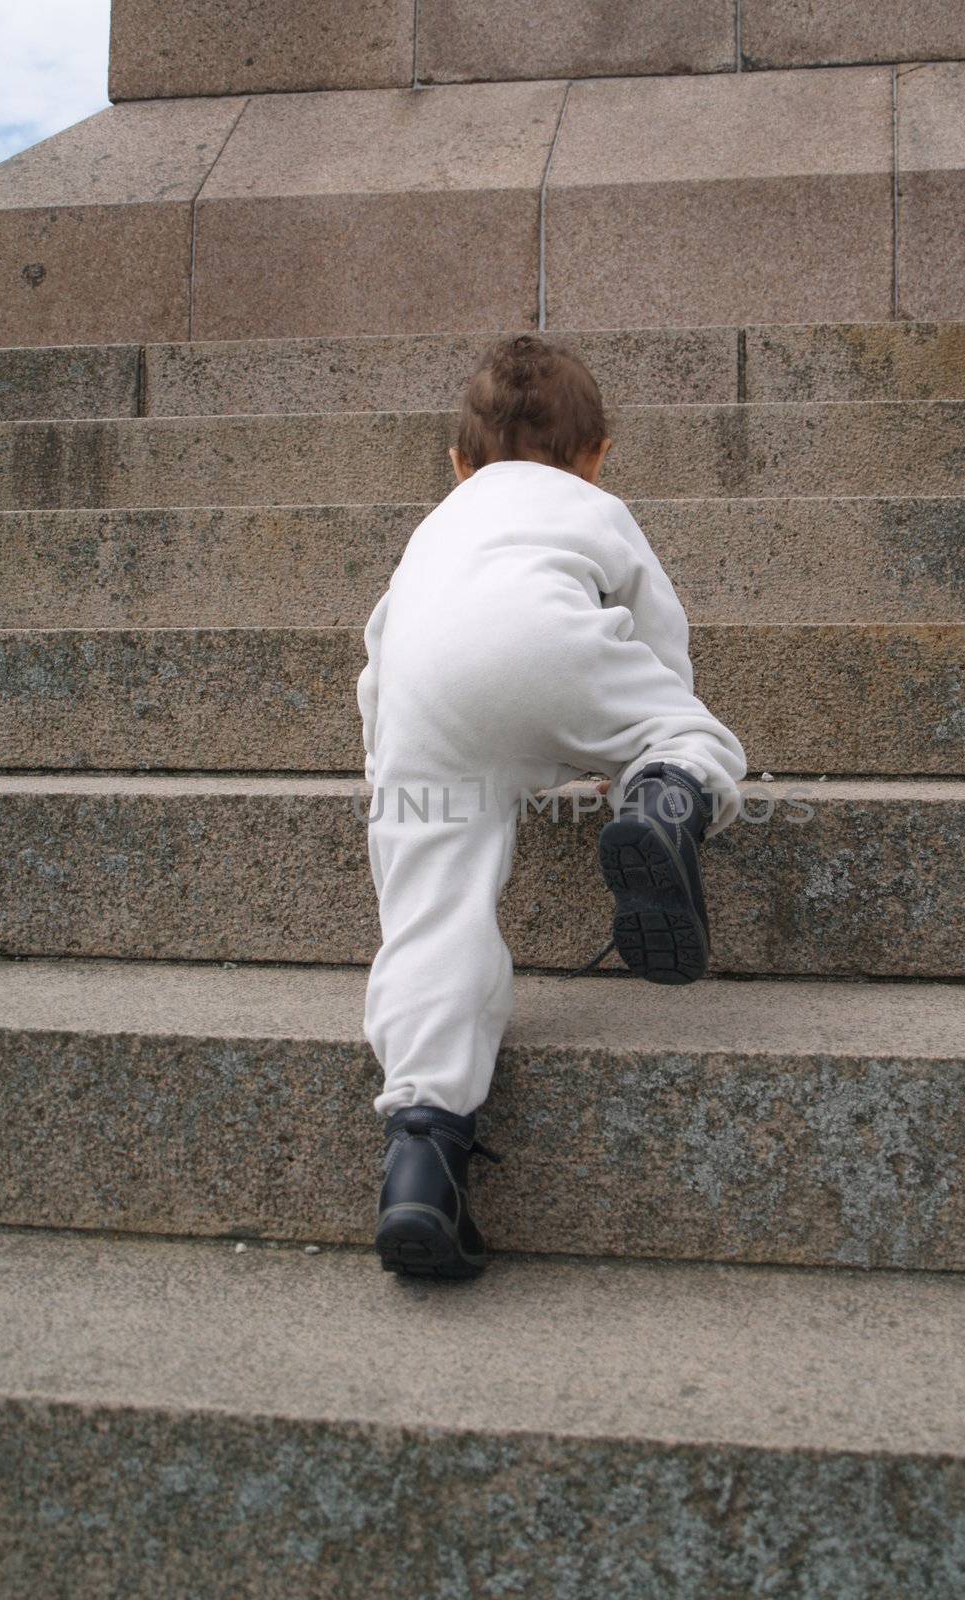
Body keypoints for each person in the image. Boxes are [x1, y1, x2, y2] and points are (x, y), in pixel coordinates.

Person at [356, 333, 747, 1279]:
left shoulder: (436, 528)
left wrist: (395, 786)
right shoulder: (594, 505)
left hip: (426, 698)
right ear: (597, 456)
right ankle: (667, 797)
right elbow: (658, 634)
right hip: (556, 650)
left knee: (433, 915)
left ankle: (425, 1151)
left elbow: (380, 656)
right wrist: (643, 750)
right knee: (696, 740)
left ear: (456, 465)